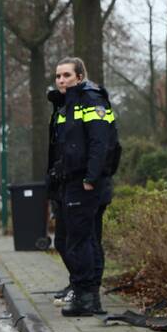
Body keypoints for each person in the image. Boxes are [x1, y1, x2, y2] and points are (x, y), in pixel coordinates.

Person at [47, 57, 120, 317]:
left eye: (66, 75)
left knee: (81, 240)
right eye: (58, 76)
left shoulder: (91, 100)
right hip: (69, 182)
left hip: (86, 183)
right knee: (71, 240)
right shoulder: (65, 104)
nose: (61, 80)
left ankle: (86, 296)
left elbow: (101, 143)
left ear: (79, 77)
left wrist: (91, 177)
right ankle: (84, 292)